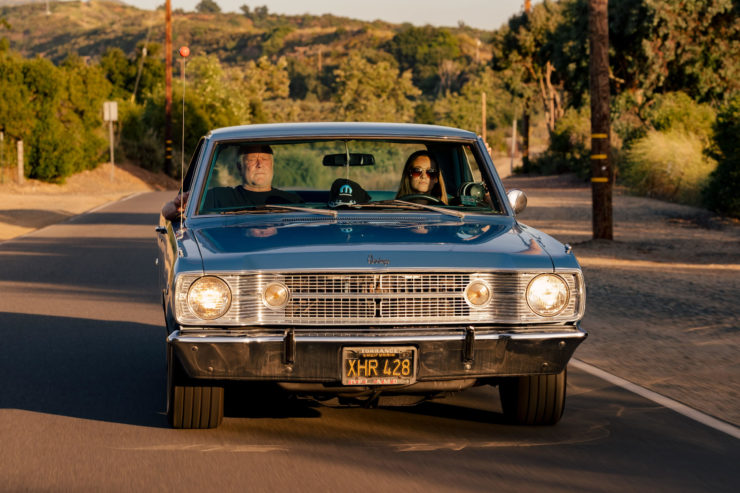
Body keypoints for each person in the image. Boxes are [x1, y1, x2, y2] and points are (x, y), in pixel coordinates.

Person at [161, 144, 302, 220]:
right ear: (239, 167)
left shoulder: (292, 201)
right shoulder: (219, 197)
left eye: (265, 159)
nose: (260, 165)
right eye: (252, 159)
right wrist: (177, 205)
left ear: (272, 165)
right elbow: (166, 211)